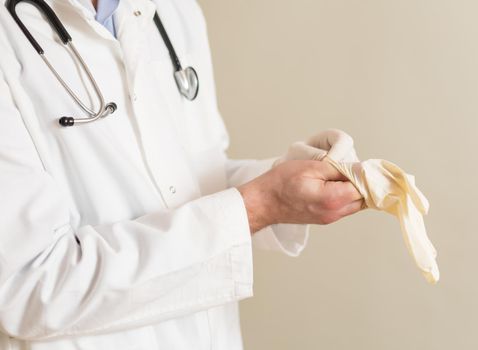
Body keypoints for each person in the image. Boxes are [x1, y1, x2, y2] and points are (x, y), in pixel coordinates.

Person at [0, 0, 364, 348]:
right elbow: (29, 286)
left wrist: (287, 179)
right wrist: (260, 205)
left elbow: (193, 181)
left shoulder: (175, 11)